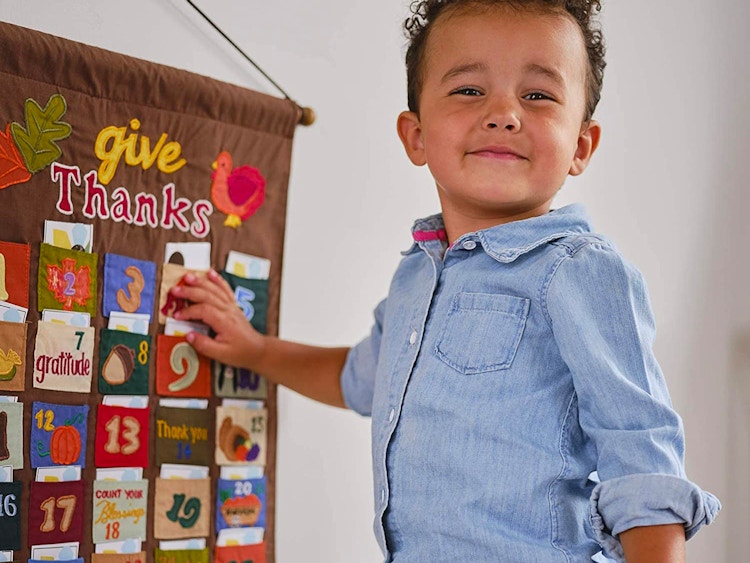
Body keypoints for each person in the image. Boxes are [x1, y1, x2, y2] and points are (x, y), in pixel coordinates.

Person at [172, 0, 721, 560]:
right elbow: (360, 376)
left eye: (538, 95)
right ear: (415, 135)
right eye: (468, 90)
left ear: (580, 145)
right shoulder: (417, 275)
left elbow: (643, 460)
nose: (504, 113)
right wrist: (254, 348)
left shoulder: (579, 270)